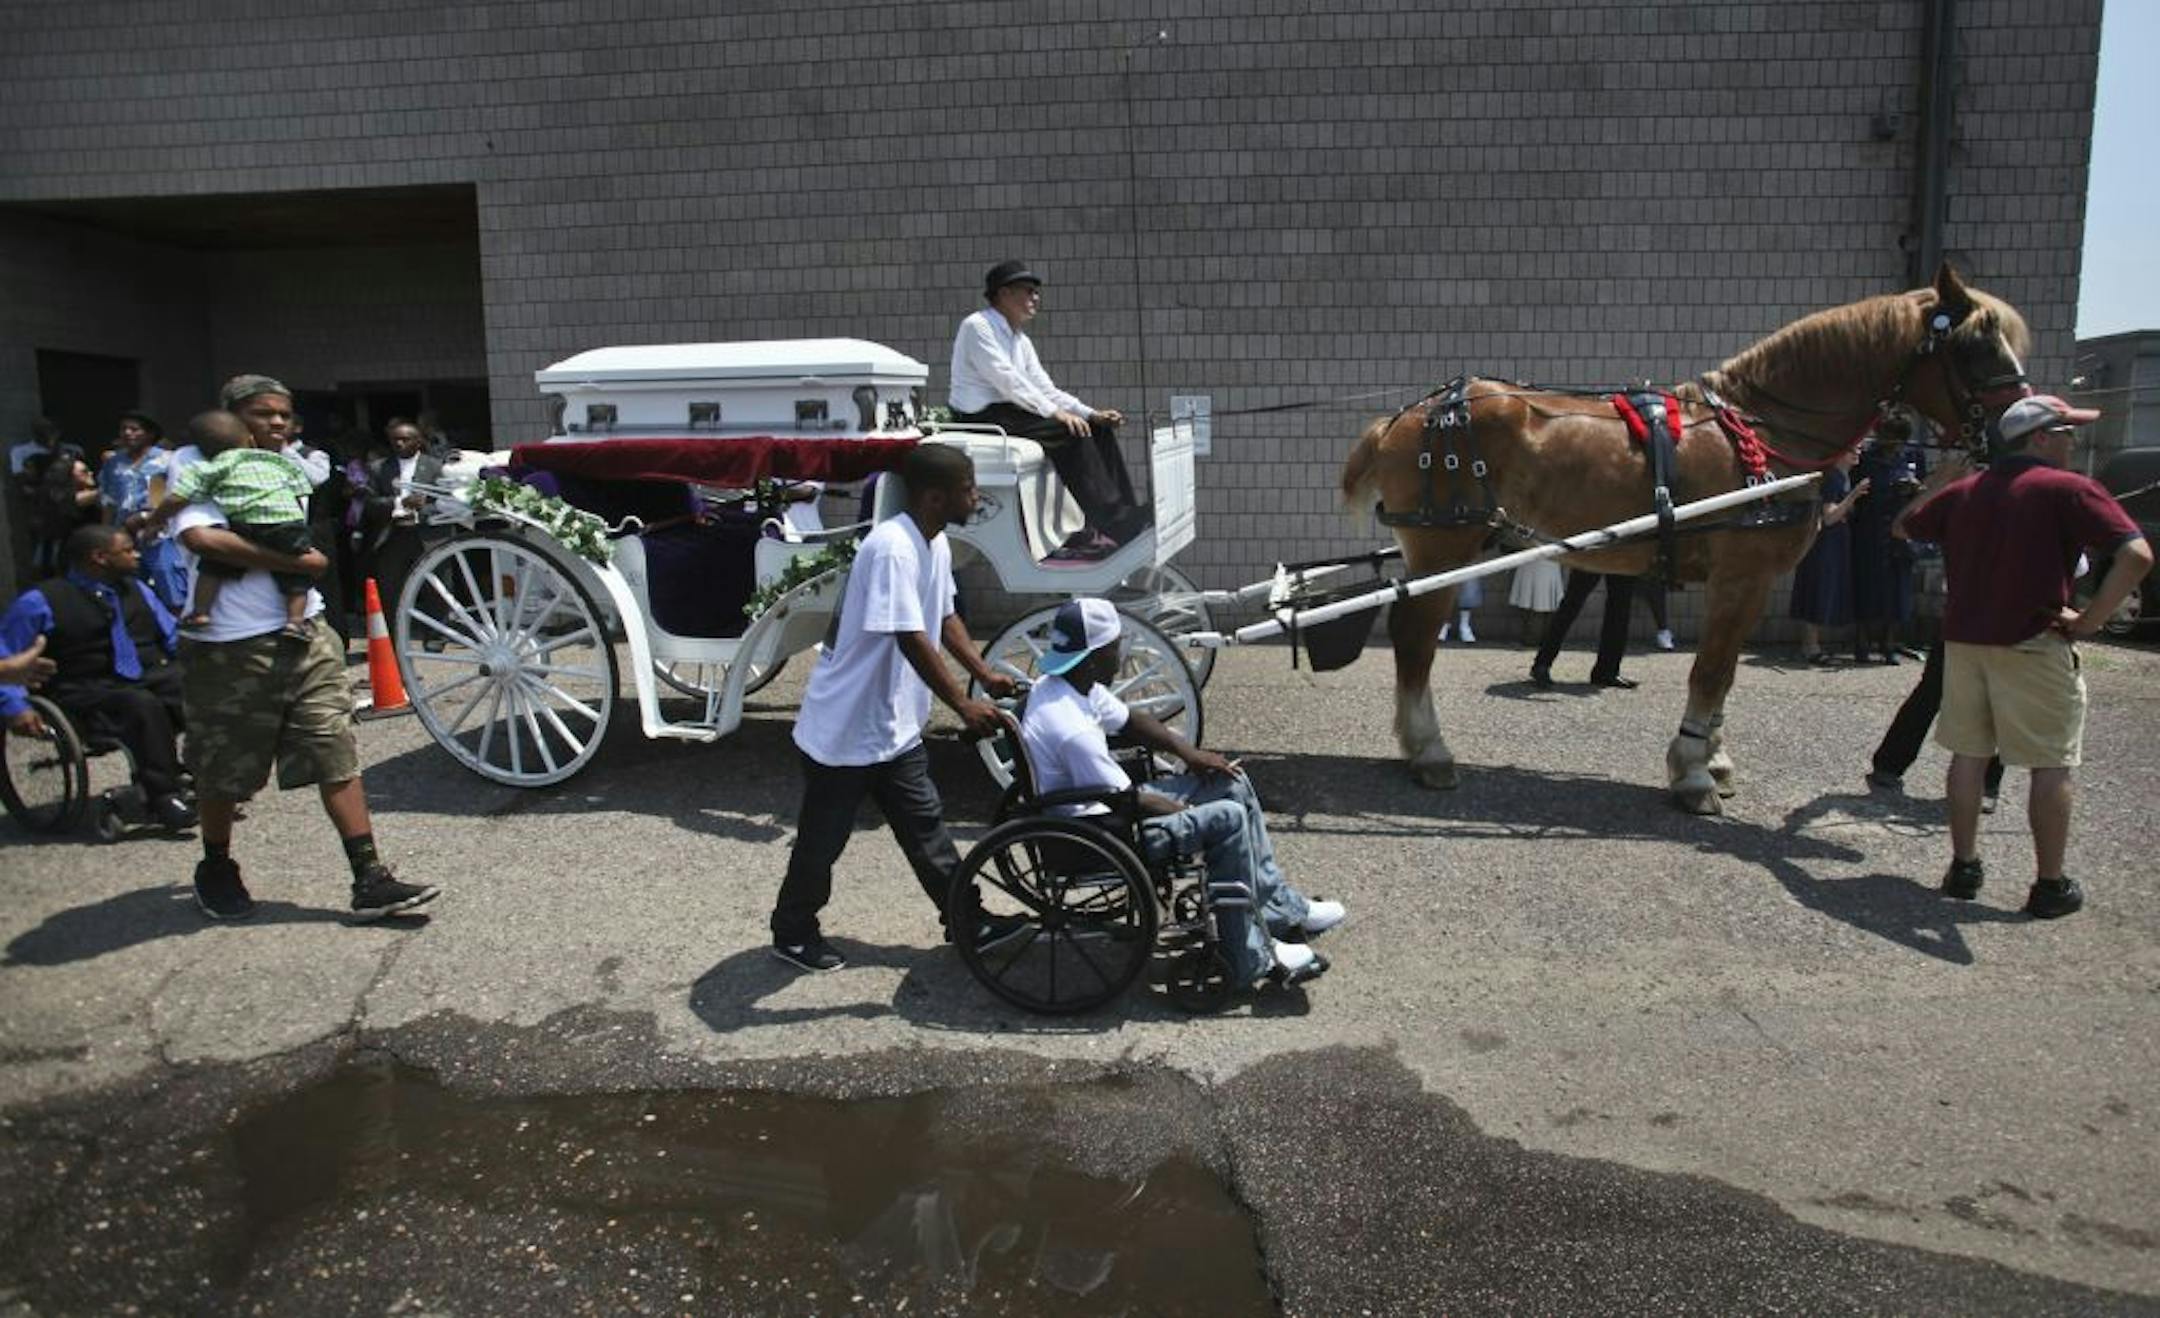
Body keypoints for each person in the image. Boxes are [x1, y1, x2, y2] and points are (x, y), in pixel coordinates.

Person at [171, 374, 439, 922]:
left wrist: (298, 569)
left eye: (283, 414)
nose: (276, 422)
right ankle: (216, 864)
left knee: (333, 747)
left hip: (305, 631)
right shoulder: (193, 462)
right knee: (224, 767)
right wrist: (300, 563)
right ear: (230, 415)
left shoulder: (289, 463)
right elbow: (201, 538)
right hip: (229, 642)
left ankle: (369, 877)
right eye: (262, 413)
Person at [1893, 394, 2152, 919]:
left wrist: (1940, 481)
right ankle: (2049, 883)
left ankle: (1963, 867)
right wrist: (2090, 621)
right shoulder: (2069, 490)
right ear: (2040, 437)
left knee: (1968, 756)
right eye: (2066, 433)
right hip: (2033, 641)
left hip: (1965, 642)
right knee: (2051, 763)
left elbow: (1903, 526)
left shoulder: (1966, 492)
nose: (2073, 442)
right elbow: (2137, 555)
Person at [769, 443, 1017, 972]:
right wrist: (961, 706)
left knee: (928, 831)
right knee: (822, 844)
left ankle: (968, 921)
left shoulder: (936, 543)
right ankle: (791, 932)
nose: (975, 497)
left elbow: (943, 616)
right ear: (934, 496)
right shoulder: (892, 548)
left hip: (892, 726)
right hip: (845, 731)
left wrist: (982, 673)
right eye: (968, 488)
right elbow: (909, 635)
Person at [1020, 598, 1341, 989]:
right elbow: (1127, 800)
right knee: (1228, 817)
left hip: (1107, 808)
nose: (1121, 654)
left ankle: (1277, 909)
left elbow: (1133, 721)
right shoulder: (1072, 729)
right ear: (1092, 656)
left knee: (1230, 781)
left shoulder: (1067, 684)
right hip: (1100, 833)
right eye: (1115, 647)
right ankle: (1249, 956)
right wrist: (1183, 808)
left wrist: (1192, 754)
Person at [0, 523, 196, 829]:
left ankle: (209, 771)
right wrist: (15, 707)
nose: (136, 555)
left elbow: (172, 637)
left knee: (194, 687)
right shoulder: (40, 601)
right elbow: (7, 658)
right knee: (139, 703)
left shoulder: (137, 589)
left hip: (144, 676)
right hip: (81, 689)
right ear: (100, 557)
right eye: (127, 550)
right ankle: (163, 796)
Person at [949, 260, 1143, 561]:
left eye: (1036, 292)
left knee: (1093, 428)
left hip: (1010, 411)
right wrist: (1056, 414)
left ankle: (1123, 516)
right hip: (981, 417)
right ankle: (1113, 520)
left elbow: (1044, 387)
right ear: (1003, 293)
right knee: (1069, 431)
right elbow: (1008, 381)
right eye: (1028, 291)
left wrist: (1090, 413)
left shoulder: (1019, 339)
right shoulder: (977, 326)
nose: (1035, 298)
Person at [1867, 449, 2004, 805]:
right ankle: (1893, 765)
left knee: (1985, 700)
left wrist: (1942, 483)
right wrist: (1941, 484)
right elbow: (1902, 526)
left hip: (1996, 620)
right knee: (1938, 693)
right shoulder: (1963, 503)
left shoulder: (2003, 503)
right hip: (1970, 618)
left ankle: (1984, 781)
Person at [147, 410, 316, 640]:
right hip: (286, 523)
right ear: (251, 439)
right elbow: (301, 488)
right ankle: (295, 622)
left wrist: (156, 520)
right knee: (297, 579)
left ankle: (201, 613)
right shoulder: (276, 461)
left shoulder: (210, 467)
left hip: (244, 524)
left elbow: (179, 497)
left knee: (213, 567)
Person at [99, 412, 189, 612]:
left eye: (134, 429)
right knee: (132, 591)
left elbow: (178, 496)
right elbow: (108, 502)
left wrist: (149, 518)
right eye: (123, 429)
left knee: (169, 585)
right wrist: (106, 536)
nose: (127, 433)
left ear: (149, 434)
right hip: (124, 537)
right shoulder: (113, 464)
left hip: (160, 534)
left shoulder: (168, 460)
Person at [1788, 451, 1869, 664]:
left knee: (1823, 587)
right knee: (1817, 586)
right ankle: (1810, 646)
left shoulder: (1842, 476)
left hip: (1836, 540)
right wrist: (1854, 494)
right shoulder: (1833, 477)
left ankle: (1812, 644)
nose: (1858, 453)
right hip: (1825, 541)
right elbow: (1830, 517)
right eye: (1853, 449)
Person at [1530, 569, 1638, 690]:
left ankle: (1607, 671)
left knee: (1620, 608)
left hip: (1624, 553)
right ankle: (1542, 663)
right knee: (1573, 601)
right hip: (1593, 551)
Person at [1508, 556, 1564, 647]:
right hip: (1545, 564)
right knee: (1545, 607)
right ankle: (1544, 640)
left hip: (1536, 563)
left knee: (1533, 607)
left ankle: (1533, 640)